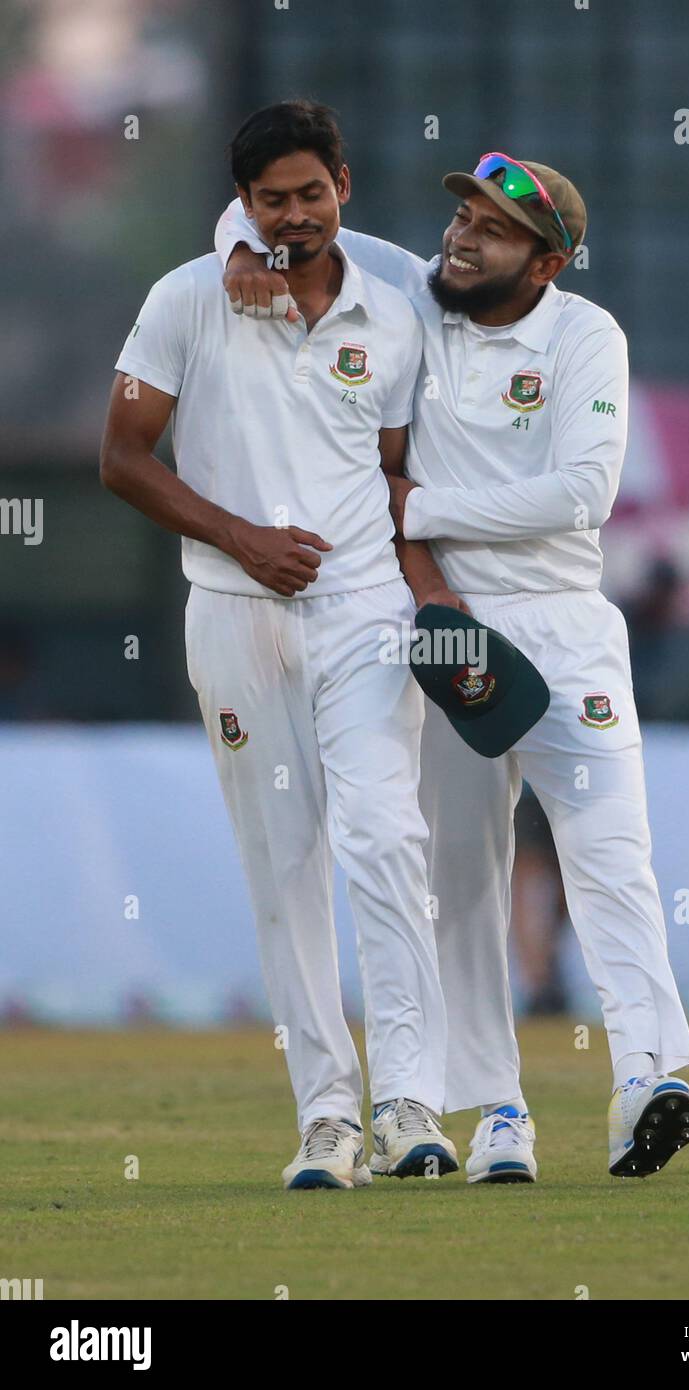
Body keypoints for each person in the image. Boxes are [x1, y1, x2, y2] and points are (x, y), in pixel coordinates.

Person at [217, 143, 689, 1184]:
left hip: (566, 628)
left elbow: (582, 493)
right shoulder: (410, 303)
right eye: (461, 216)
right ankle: (500, 1112)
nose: (460, 235)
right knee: (461, 881)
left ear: (544, 263)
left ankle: (644, 1082)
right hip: (441, 635)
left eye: (490, 228)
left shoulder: (583, 335)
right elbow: (287, 221)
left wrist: (418, 507)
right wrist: (239, 253)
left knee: (613, 856)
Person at [99, 100, 460, 1191]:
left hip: (361, 607)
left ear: (342, 183)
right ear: (240, 204)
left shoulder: (390, 313)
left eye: (311, 192)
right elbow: (122, 454)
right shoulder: (189, 297)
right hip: (231, 606)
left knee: (385, 832)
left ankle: (407, 1103)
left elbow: (395, 475)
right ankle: (325, 1120)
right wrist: (240, 537)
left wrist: (430, 591)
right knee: (284, 862)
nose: (294, 216)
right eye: (271, 201)